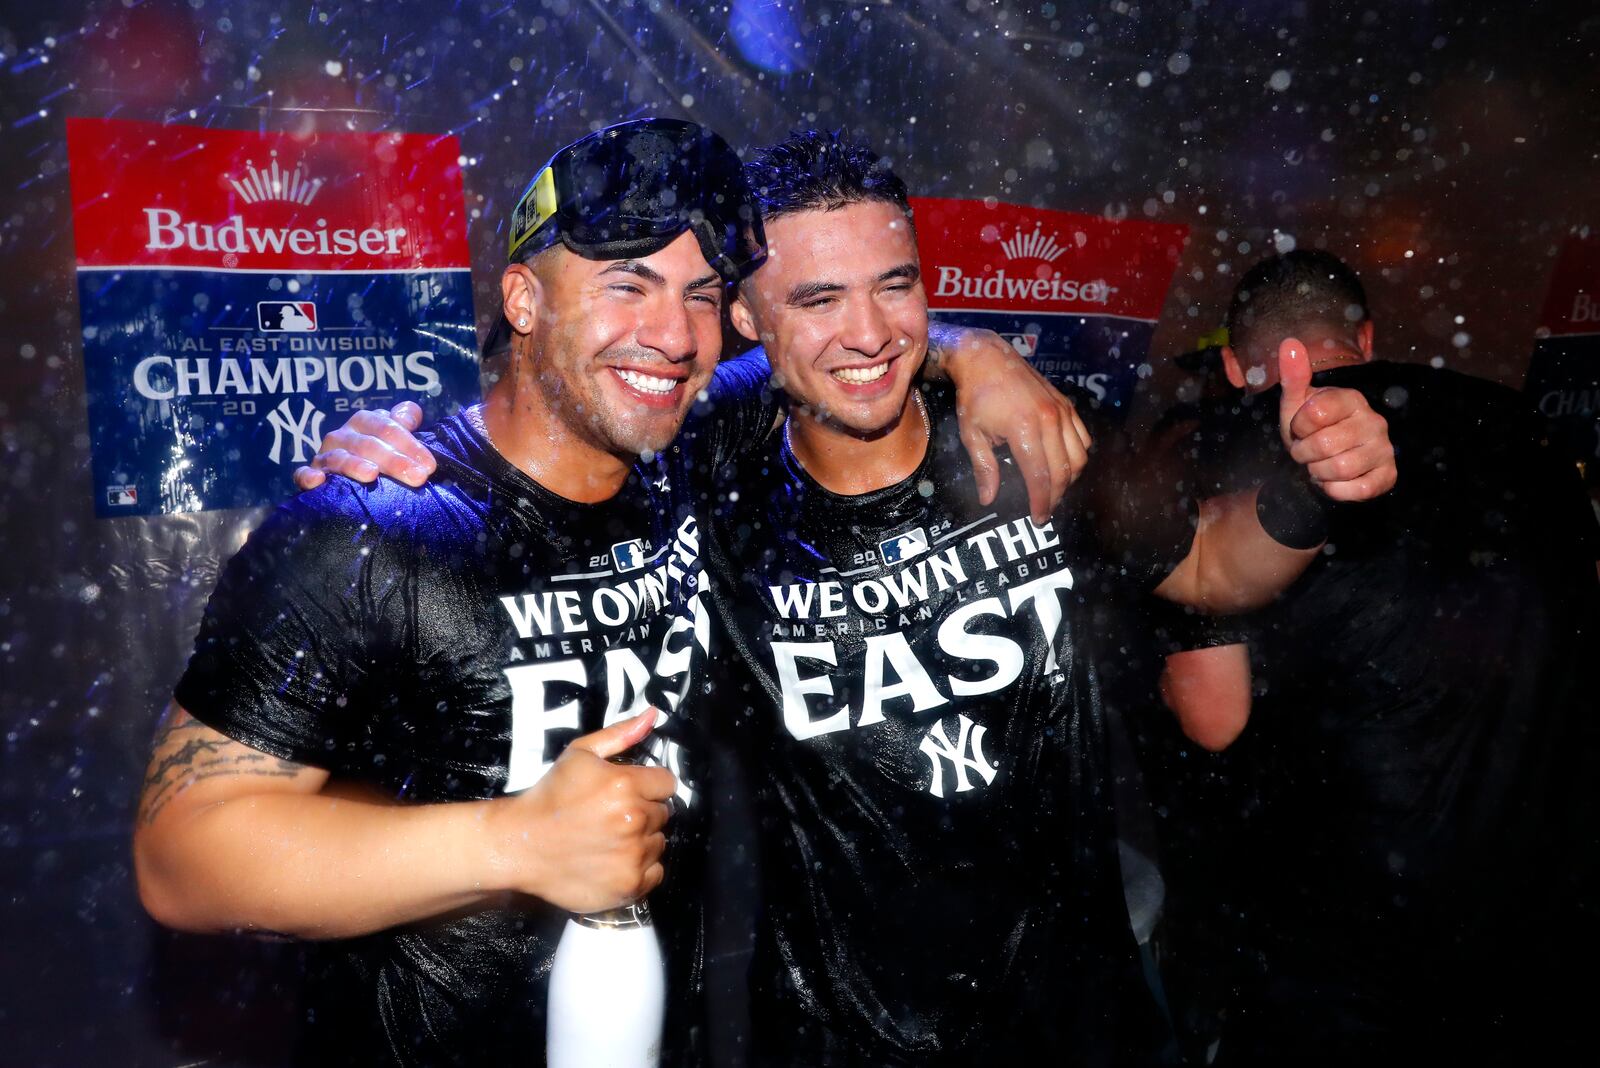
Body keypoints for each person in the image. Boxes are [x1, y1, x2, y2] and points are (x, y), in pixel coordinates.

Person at [324, 132, 1399, 1065]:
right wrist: (411, 455)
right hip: (828, 1032)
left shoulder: (1029, 445)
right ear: (745, 314)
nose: (869, 330)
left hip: (1072, 1019)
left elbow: (1214, 571)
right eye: (817, 297)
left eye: (896, 284)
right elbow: (553, 434)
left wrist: (1308, 489)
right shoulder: (707, 479)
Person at [134, 117, 1096, 1068]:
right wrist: (513, 841)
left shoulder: (691, 450)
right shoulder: (373, 526)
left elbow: (849, 344)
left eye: (702, 295)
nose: (673, 335)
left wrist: (980, 356)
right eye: (626, 286)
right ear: (523, 298)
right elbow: (184, 855)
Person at [1155, 249, 1600, 1063]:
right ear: (1364, 337)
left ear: (1231, 361)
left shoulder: (1229, 443)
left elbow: (1212, 716)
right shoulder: (1524, 426)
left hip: (1341, 934)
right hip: (1535, 911)